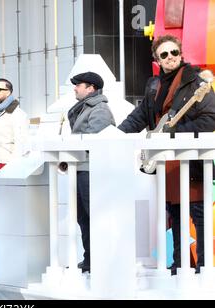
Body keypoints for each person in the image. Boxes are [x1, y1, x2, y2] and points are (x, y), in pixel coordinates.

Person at [118, 34, 215, 275]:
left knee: (198, 213)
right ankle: (181, 262)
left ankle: (204, 265)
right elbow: (139, 116)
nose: (170, 57)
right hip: (165, 158)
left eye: (174, 53)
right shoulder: (153, 85)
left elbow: (211, 118)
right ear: (157, 60)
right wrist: (115, 135)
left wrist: (176, 133)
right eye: (164, 54)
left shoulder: (196, 83)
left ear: (181, 54)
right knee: (175, 212)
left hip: (190, 157)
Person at [67, 71, 115, 273]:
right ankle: (90, 259)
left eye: (79, 85)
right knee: (83, 217)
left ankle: (100, 258)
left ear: (91, 88)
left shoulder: (100, 110)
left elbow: (96, 142)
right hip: (81, 169)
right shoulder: (85, 108)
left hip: (91, 170)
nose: (75, 88)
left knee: (92, 215)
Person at [0, 78, 29, 163]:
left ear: (8, 92)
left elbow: (22, 144)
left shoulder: (17, 114)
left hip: (8, 167)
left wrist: (12, 167)